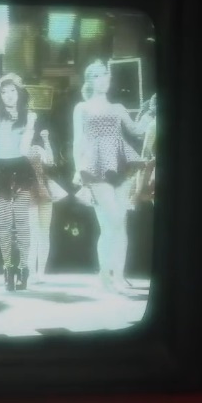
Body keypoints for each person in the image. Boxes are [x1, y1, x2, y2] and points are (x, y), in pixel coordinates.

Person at [71, 60, 152, 293]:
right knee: (114, 219)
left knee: (117, 225)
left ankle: (116, 276)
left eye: (105, 75)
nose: (103, 79)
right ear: (90, 80)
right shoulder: (82, 108)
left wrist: (150, 111)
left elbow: (137, 130)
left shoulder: (117, 108)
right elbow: (78, 141)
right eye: (97, 75)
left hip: (119, 162)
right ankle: (105, 273)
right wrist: (78, 171)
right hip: (95, 166)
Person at [0, 74, 38, 291]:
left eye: (12, 91)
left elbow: (25, 149)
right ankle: (7, 267)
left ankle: (24, 267)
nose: (8, 96)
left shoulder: (29, 116)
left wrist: (29, 125)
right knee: (5, 221)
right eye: (4, 92)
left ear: (19, 92)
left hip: (21, 168)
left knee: (22, 220)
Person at [26, 128, 64, 284]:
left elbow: (50, 161)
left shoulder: (38, 148)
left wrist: (46, 141)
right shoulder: (20, 147)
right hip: (27, 191)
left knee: (43, 233)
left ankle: (40, 271)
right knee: (33, 233)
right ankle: (31, 272)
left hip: (43, 190)